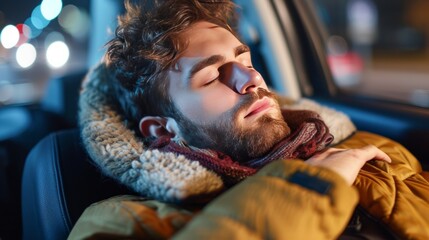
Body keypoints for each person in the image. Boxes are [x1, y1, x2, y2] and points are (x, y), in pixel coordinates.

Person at [70, 0, 429, 239]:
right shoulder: (121, 222)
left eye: (245, 62)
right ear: (164, 129)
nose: (252, 80)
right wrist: (314, 184)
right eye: (211, 77)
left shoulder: (364, 148)